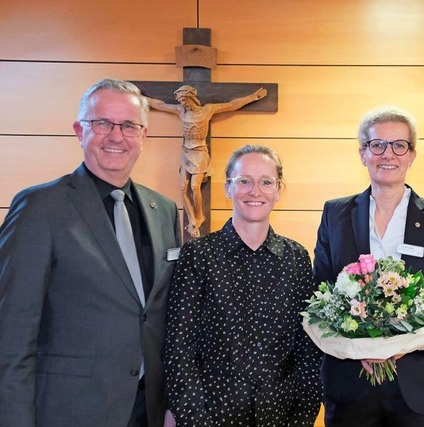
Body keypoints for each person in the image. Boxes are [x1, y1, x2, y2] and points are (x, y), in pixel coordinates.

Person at [0, 78, 182, 426]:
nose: (116, 136)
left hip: (147, 410)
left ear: (143, 136)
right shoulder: (40, 208)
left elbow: (158, 318)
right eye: (102, 123)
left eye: (129, 125)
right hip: (70, 411)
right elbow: (11, 334)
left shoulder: (165, 210)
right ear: (79, 131)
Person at [313, 106, 424, 426]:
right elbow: (321, 296)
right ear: (362, 153)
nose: (388, 154)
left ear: (412, 154)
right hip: (351, 387)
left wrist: (410, 341)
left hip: (423, 390)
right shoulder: (336, 214)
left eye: (399, 145)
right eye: (377, 145)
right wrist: (357, 345)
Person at [164, 144, 322, 426]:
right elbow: (179, 346)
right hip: (210, 413)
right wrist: (193, 417)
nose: (255, 191)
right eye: (244, 181)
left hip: (280, 414)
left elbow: (307, 346)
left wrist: (303, 415)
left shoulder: (297, 257)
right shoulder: (198, 255)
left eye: (266, 182)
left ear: (279, 189)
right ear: (227, 188)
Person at [145, 85, 268, 238]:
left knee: (195, 186)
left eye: (185, 100)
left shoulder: (207, 110)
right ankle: (192, 219)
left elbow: (230, 105)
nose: (184, 104)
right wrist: (140, 97)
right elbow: (159, 105)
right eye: (181, 101)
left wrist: (252, 97)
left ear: (192, 98)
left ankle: (199, 216)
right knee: (183, 187)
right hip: (186, 153)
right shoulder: (180, 111)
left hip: (200, 152)